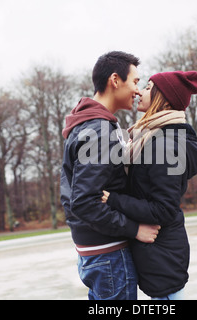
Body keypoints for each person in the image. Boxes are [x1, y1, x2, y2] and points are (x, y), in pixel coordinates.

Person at [60, 51, 161, 300]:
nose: (138, 91)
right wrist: (134, 228)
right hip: (108, 254)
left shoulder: (91, 124)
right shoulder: (99, 131)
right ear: (115, 80)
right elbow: (84, 202)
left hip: (97, 251)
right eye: (135, 82)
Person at [102, 71, 197, 300]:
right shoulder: (152, 136)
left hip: (162, 257)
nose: (140, 91)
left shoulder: (163, 144)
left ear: (163, 97)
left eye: (148, 88)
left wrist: (114, 199)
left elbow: (164, 209)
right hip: (158, 254)